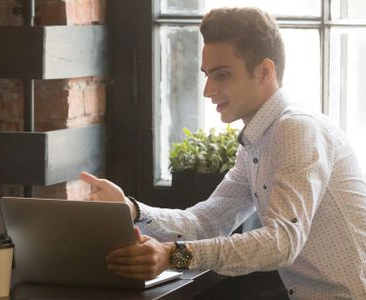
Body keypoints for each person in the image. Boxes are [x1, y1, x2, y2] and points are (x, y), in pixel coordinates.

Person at [81, 7, 366, 299]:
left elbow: (282, 242)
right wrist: (132, 209)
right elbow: (207, 221)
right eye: (207, 75)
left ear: (265, 71)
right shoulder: (257, 140)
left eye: (222, 75)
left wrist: (172, 255)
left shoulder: (296, 129)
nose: (207, 90)